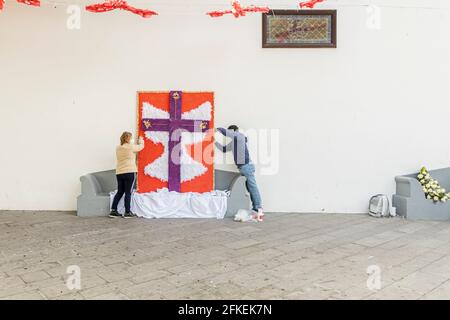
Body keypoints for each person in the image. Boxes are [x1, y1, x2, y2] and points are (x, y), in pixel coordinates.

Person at [215, 125, 264, 221]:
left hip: (247, 167)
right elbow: (224, 149)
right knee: (249, 188)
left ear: (234, 131)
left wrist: (217, 129)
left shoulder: (240, 136)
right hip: (242, 168)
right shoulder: (233, 142)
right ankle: (255, 209)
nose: (230, 135)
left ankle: (258, 209)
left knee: (253, 187)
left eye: (231, 132)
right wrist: (214, 142)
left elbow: (227, 133)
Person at [109, 132, 144, 218]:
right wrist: (141, 140)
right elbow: (141, 147)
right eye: (131, 138)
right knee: (128, 192)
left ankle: (113, 211)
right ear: (128, 139)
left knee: (120, 192)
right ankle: (127, 212)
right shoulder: (130, 147)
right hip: (130, 172)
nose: (131, 139)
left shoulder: (118, 148)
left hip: (119, 172)